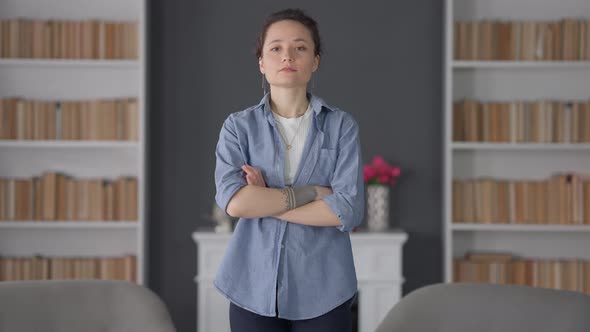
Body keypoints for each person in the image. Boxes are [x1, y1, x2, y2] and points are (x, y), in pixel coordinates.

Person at [213, 8, 364, 332]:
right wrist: (313, 194)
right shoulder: (238, 128)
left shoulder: (341, 126)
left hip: (326, 287)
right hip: (250, 284)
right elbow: (235, 203)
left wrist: (265, 200)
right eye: (276, 48)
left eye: (300, 47)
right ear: (262, 63)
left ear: (315, 61)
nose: (288, 56)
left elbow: (347, 211)